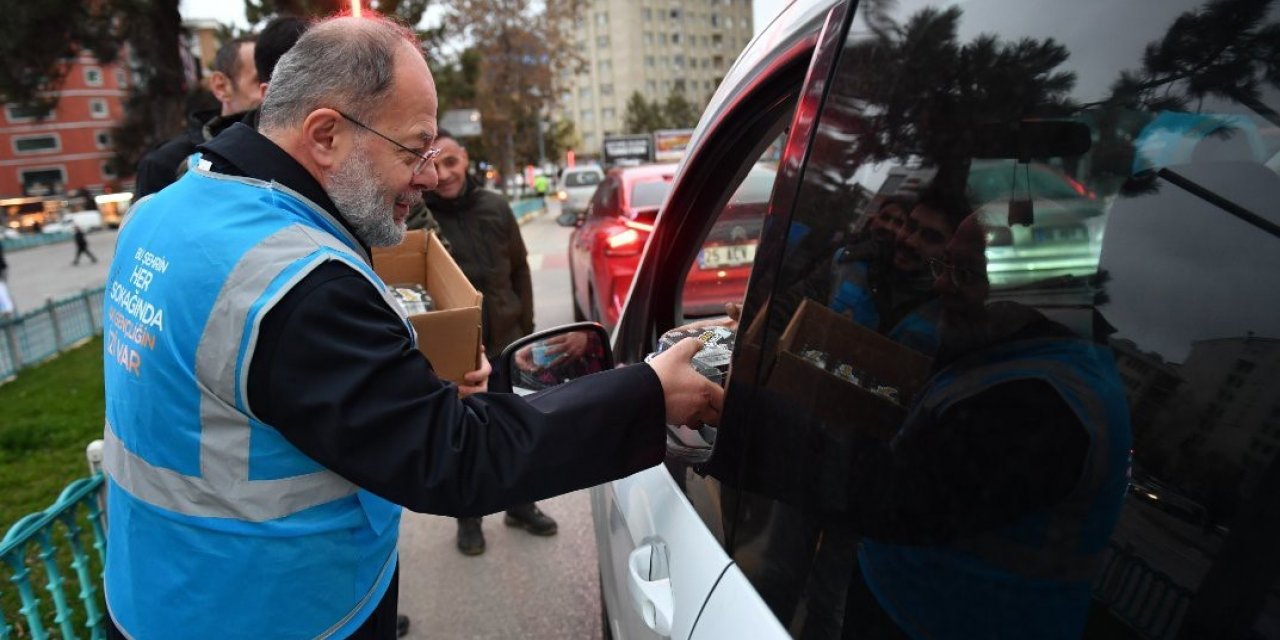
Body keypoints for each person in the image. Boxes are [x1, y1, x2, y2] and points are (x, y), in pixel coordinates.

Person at [101, 15, 721, 640]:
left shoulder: (164, 210)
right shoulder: (299, 283)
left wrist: (402, 383)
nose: (426, 174)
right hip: (276, 610)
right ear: (325, 135)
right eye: (412, 147)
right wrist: (647, 393)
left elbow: (243, 394)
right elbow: (453, 459)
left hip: (160, 590)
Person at [413, 130, 552, 555]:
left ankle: (519, 504)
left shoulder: (496, 206)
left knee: (513, 429)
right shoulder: (418, 220)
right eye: (434, 163)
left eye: (451, 161)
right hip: (457, 356)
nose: (445, 173)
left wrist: (525, 328)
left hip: (507, 343)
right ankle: (469, 518)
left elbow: (520, 270)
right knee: (461, 438)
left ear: (466, 159)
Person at [134, 36, 259, 199]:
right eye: (261, 80)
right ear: (221, 86)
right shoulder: (163, 165)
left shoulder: (291, 152)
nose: (272, 90)